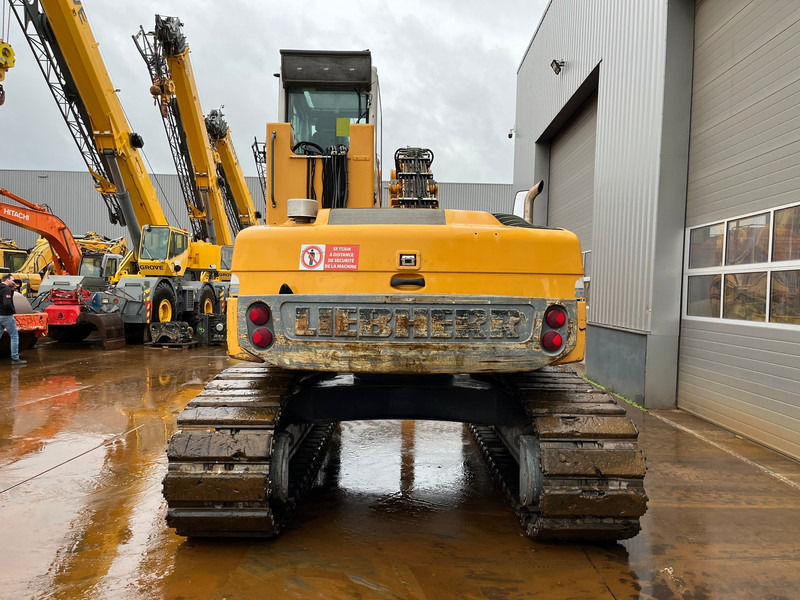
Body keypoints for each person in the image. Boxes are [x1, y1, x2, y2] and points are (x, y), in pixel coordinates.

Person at [0, 273, 26, 366]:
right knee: (14, 336)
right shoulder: (6, 289)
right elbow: (7, 303)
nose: (14, 282)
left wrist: (12, 289)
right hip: (6, 316)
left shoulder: (2, 288)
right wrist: (13, 311)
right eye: (12, 280)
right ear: (7, 280)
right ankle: (15, 358)